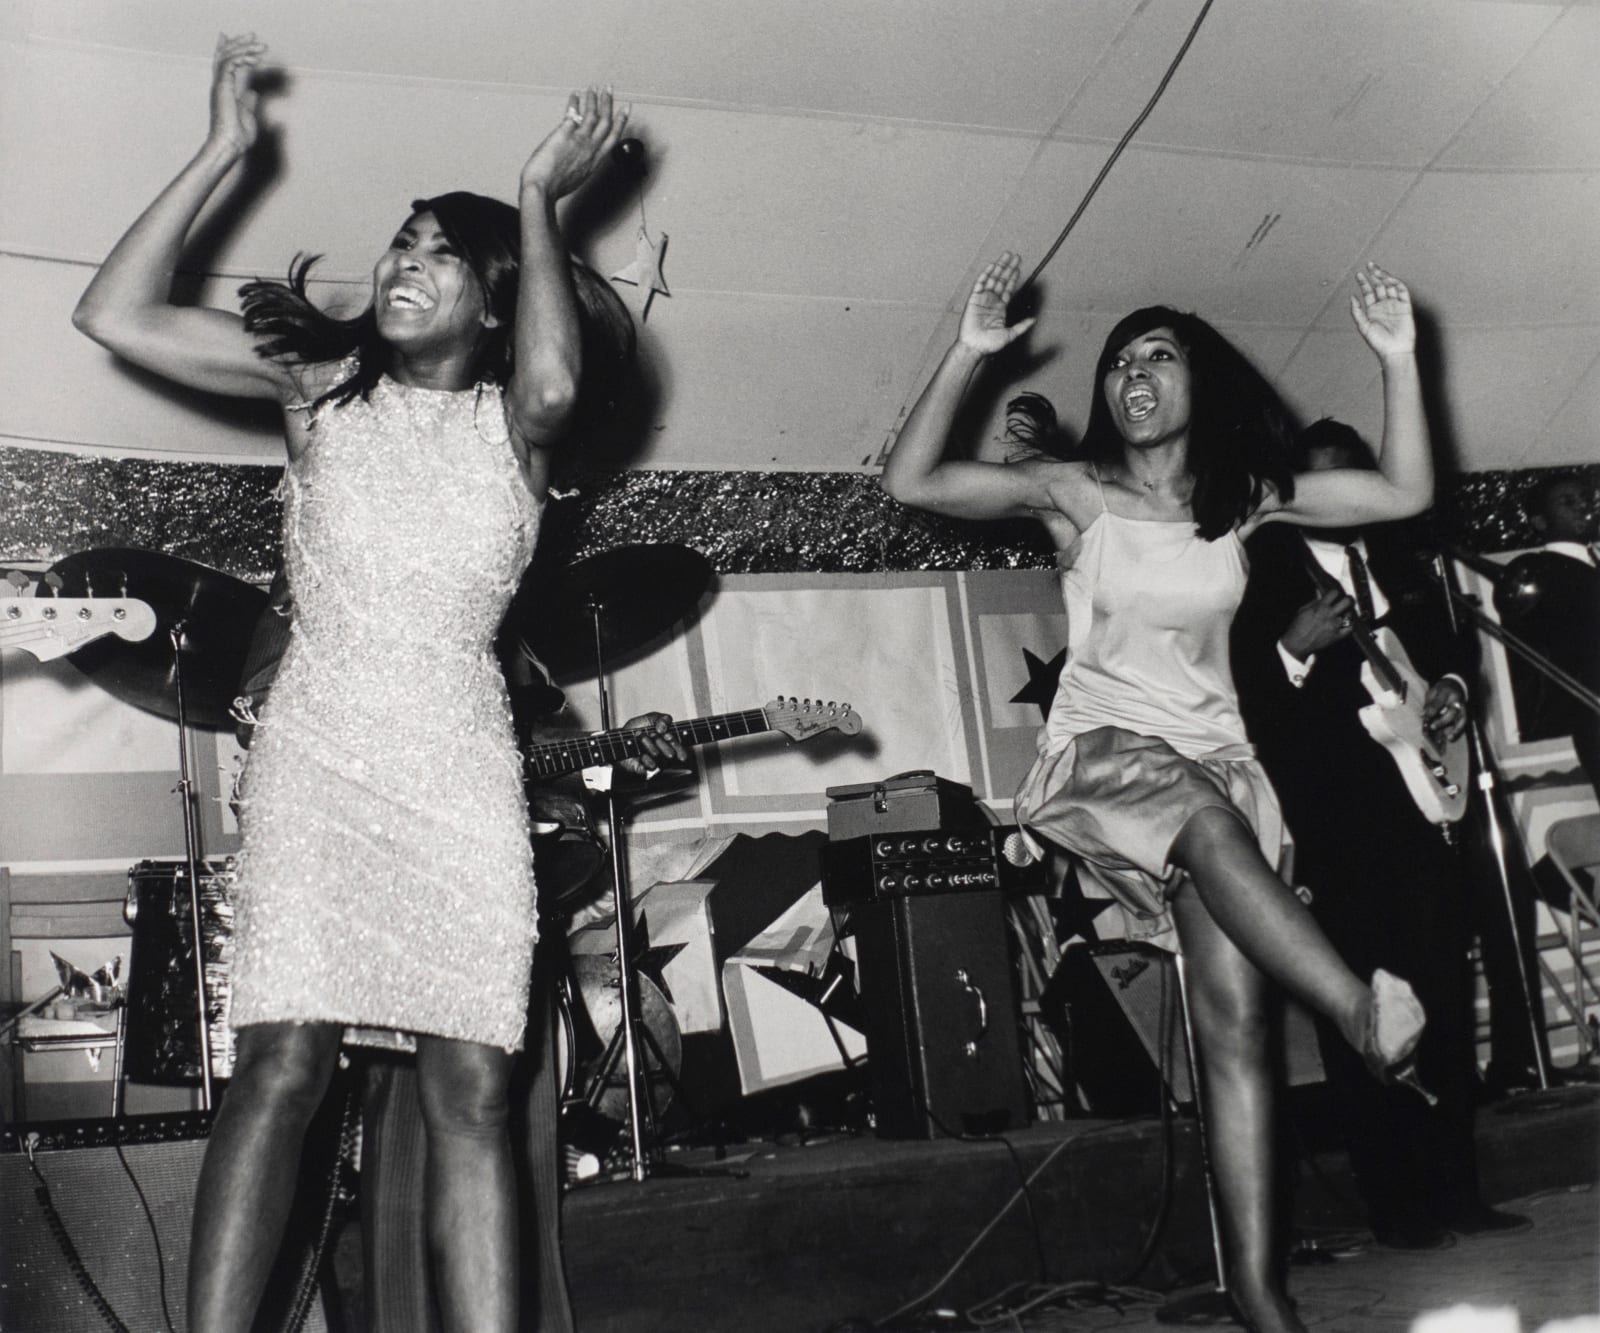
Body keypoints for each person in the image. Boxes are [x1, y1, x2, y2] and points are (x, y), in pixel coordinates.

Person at [73, 34, 633, 1332]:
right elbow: (111, 313)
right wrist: (222, 151)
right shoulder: (318, 386)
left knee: (474, 1092)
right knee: (280, 1063)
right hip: (323, 749)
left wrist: (541, 201)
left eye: (441, 250)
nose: (404, 259)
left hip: (454, 764)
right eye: (401, 238)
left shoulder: (519, 425)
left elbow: (552, 376)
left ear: (497, 294)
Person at [882, 251, 1434, 1333]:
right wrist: (969, 351)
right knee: (1211, 824)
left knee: (1232, 1031)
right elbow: (911, 482)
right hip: (1107, 752)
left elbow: (1406, 489)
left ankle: (1262, 1301)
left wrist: (1399, 361)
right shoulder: (1075, 491)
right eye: (1120, 361)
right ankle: (1359, 1011)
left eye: (1159, 356)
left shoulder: (1243, 503)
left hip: (1214, 759)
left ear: (1199, 383)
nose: (1133, 374)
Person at [1231, 417, 1529, 1248]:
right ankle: (1395, 1205)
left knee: (1442, 1002)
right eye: (1323, 484)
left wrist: (1453, 696)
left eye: (1355, 479)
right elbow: (1244, 704)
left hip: (1428, 818)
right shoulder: (1259, 580)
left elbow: (1452, 663)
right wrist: (1293, 649)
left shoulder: (1406, 568)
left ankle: (1458, 1192)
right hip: (1338, 833)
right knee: (1366, 1014)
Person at [1500, 473, 1600, 794]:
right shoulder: (1533, 571)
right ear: (1540, 522)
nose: (1584, 506)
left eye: (1586, 498)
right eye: (1568, 501)